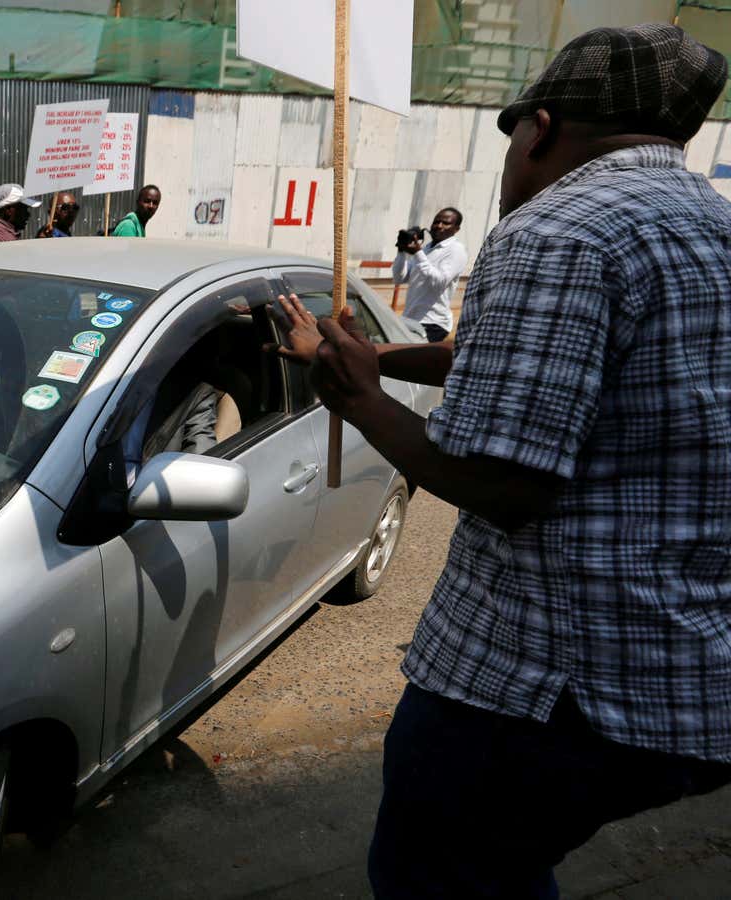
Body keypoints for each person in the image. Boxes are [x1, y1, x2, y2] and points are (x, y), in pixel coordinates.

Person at [274, 25, 731, 898]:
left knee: (440, 876)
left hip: (543, 689)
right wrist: (373, 360)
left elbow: (501, 484)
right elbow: (506, 361)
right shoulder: (709, 224)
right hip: (679, 681)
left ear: (541, 128)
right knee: (501, 870)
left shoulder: (557, 233)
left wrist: (356, 400)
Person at [392, 208, 467, 342]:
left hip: (433, 323)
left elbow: (439, 282)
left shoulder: (456, 250)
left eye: (446, 223)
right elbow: (399, 278)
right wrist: (401, 252)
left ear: (456, 229)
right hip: (410, 320)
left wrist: (418, 253)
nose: (439, 226)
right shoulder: (426, 249)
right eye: (436, 222)